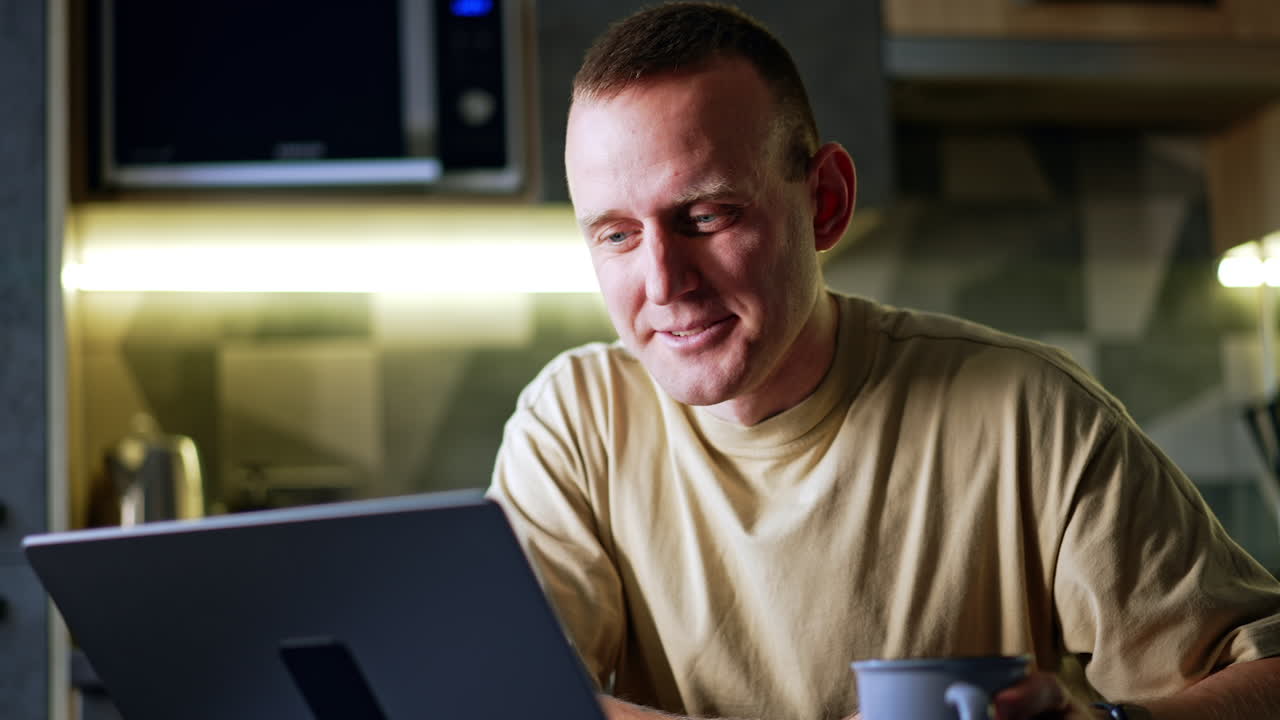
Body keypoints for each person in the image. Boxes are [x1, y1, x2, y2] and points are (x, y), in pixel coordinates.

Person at [488, 3, 1280, 719]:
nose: (664, 283)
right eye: (617, 234)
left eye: (706, 214)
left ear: (824, 201)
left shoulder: (1027, 413)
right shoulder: (576, 423)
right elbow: (505, 696)